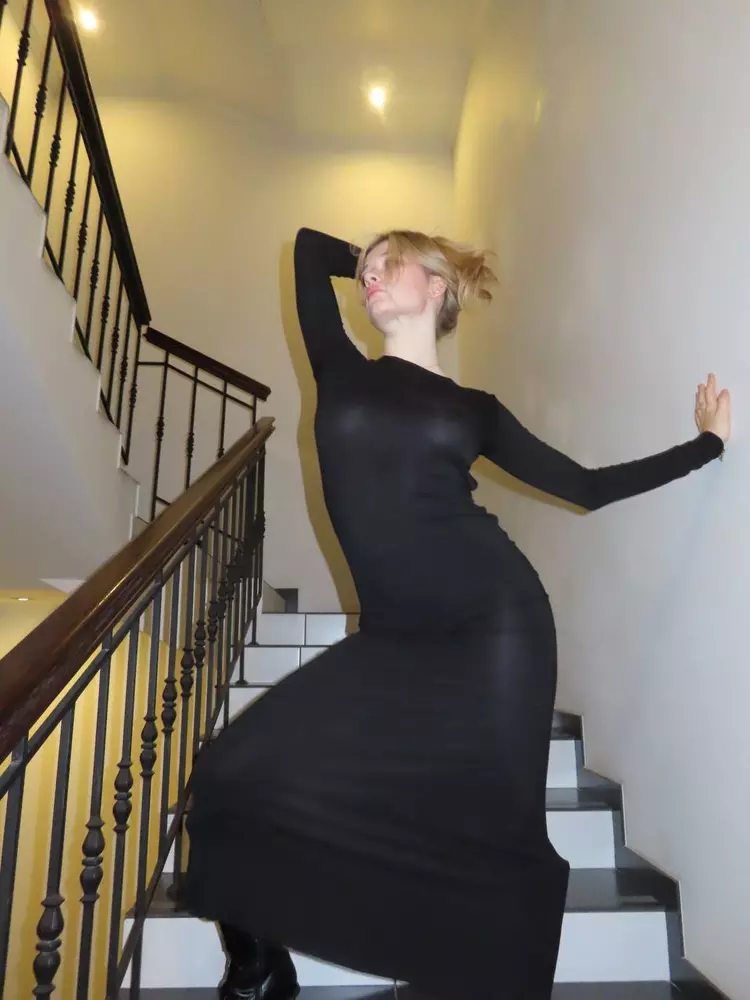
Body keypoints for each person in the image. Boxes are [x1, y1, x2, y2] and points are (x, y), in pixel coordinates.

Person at [182, 226, 731, 1000]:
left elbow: (584, 487)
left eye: (391, 266)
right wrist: (380, 255)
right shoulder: (340, 365)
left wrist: (706, 445)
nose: (371, 277)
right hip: (391, 640)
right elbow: (307, 249)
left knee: (493, 834)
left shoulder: (476, 408)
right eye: (367, 270)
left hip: (495, 625)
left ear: (437, 286)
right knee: (229, 772)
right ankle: (259, 967)